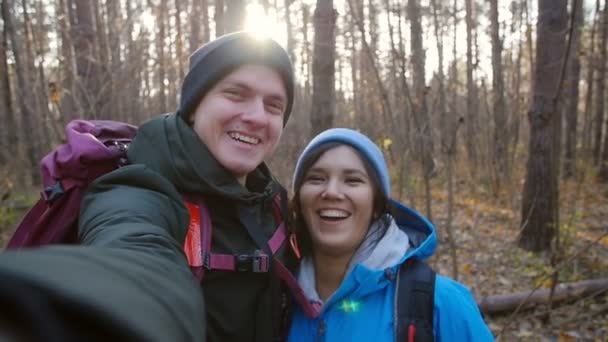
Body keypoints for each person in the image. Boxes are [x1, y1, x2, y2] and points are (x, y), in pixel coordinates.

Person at [0, 32, 295, 342]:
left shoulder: (271, 199)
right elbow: (133, 255)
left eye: (274, 106)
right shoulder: (137, 189)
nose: (257, 116)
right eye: (236, 94)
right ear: (194, 106)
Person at [286, 128, 494, 341]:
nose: (331, 192)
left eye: (352, 180)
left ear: (377, 204)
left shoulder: (439, 304)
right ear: (299, 200)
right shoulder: (275, 298)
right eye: (316, 178)